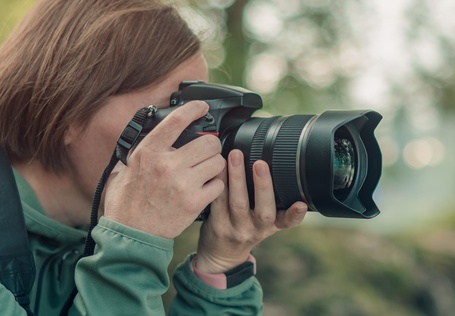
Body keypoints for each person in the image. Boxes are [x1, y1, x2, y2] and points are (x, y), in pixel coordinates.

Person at [0, 0, 308, 314]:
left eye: (203, 117)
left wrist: (221, 266)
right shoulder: (115, 249)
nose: (203, 139)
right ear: (67, 109)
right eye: (174, 110)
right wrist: (130, 246)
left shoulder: (88, 239)